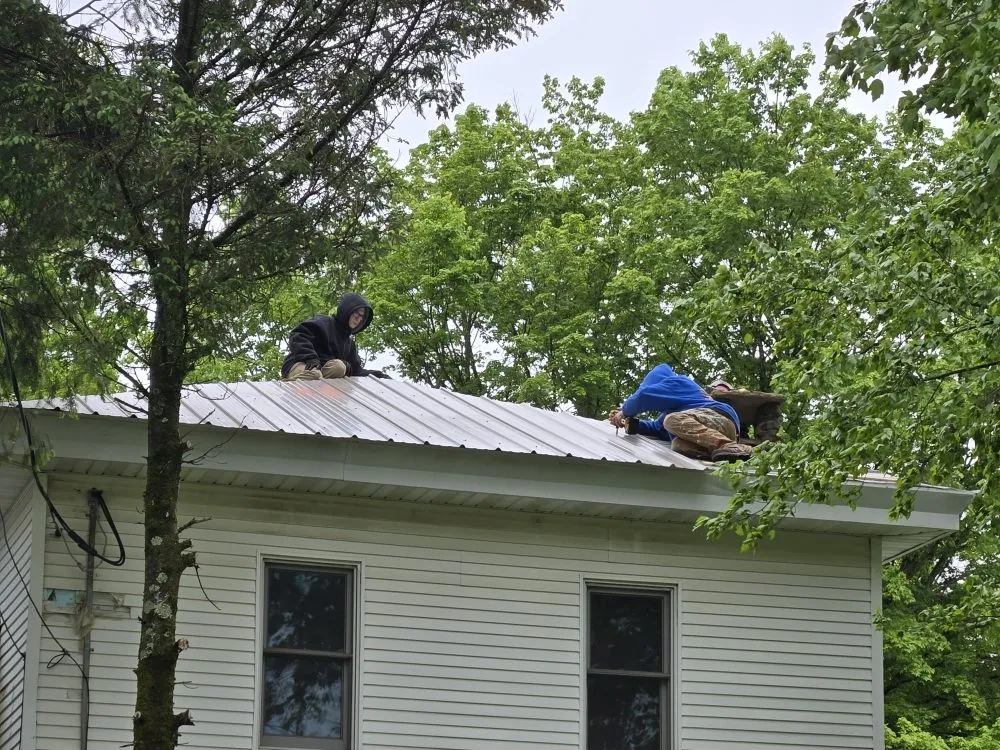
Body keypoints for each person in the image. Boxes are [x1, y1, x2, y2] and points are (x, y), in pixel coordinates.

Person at [607, 364, 751, 462]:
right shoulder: (675, 409)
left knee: (671, 420)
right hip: (710, 427)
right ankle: (719, 453)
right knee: (678, 445)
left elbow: (644, 396)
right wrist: (630, 423)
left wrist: (624, 411)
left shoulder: (678, 382)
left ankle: (730, 447)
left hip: (719, 418)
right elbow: (656, 428)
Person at [280, 292, 390, 381]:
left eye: (362, 317)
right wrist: (310, 357)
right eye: (357, 313)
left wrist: (379, 376)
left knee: (339, 367)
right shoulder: (324, 323)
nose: (359, 319)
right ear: (348, 309)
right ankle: (285, 386)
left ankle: (320, 389)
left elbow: (357, 371)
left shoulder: (349, 344)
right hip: (301, 364)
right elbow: (298, 335)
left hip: (321, 374)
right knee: (314, 375)